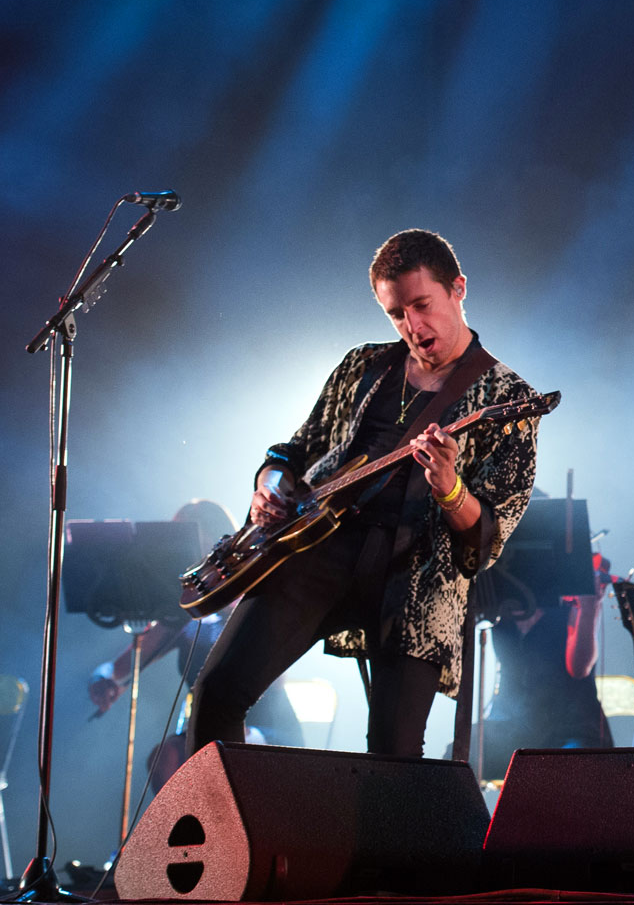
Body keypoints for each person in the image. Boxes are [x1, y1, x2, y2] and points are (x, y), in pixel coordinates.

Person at [186, 229, 540, 757]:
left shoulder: (509, 398)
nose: (413, 327)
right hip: (314, 549)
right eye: (396, 314)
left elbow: (486, 538)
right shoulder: (362, 366)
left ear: (458, 288)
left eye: (422, 305)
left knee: (393, 751)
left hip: (417, 576)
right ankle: (215, 838)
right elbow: (292, 452)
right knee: (216, 693)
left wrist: (448, 488)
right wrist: (269, 487)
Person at [87, 501, 302, 784]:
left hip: (263, 731)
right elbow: (119, 668)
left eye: (184, 539)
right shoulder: (181, 616)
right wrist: (103, 680)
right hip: (205, 733)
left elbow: (272, 679)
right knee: (167, 759)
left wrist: (223, 607)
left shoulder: (252, 600)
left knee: (204, 752)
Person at [475, 554, 614, 779]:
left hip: (572, 727)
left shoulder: (567, 609)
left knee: (571, 769)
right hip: (519, 727)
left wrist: (590, 606)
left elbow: (580, 668)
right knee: (460, 752)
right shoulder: (501, 618)